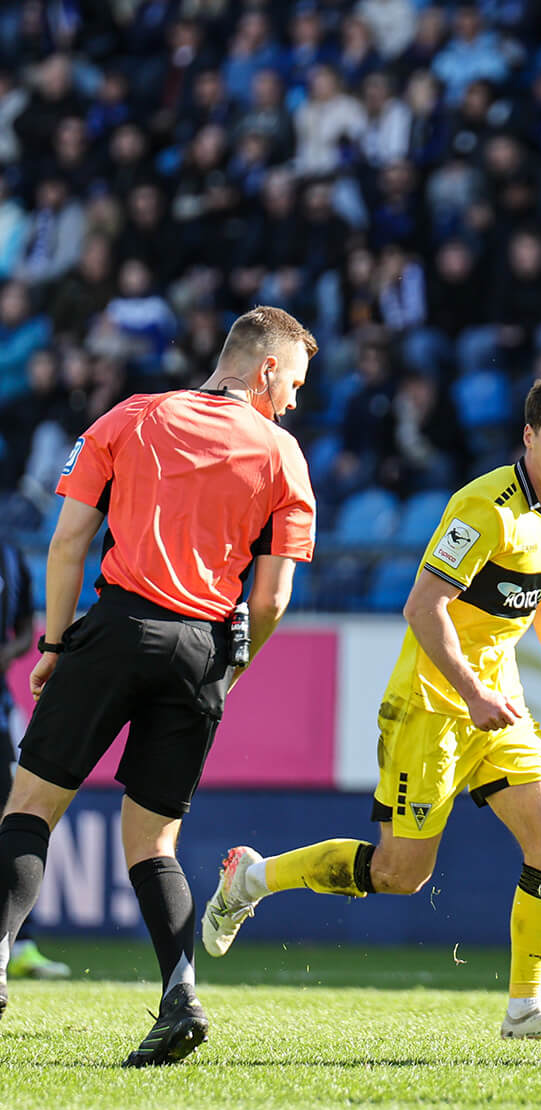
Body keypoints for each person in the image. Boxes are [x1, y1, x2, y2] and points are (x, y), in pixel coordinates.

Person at [202, 371, 541, 1042]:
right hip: (430, 708)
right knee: (400, 873)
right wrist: (472, 691)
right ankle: (252, 878)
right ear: (528, 437)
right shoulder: (485, 508)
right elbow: (423, 607)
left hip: (497, 708)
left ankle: (523, 1009)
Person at [0, 305, 318, 1067]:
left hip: (117, 628)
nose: (298, 401)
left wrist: (52, 643)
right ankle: (181, 997)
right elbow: (270, 601)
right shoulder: (283, 453)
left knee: (34, 804)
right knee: (154, 839)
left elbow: (70, 539)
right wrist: (228, 671)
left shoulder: (134, 417)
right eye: (297, 382)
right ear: (267, 369)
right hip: (204, 650)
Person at [0, 541, 68, 981]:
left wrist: (9, 653)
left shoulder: (10, 552)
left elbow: (26, 628)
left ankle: (19, 942)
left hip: (1, 711)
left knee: (14, 814)